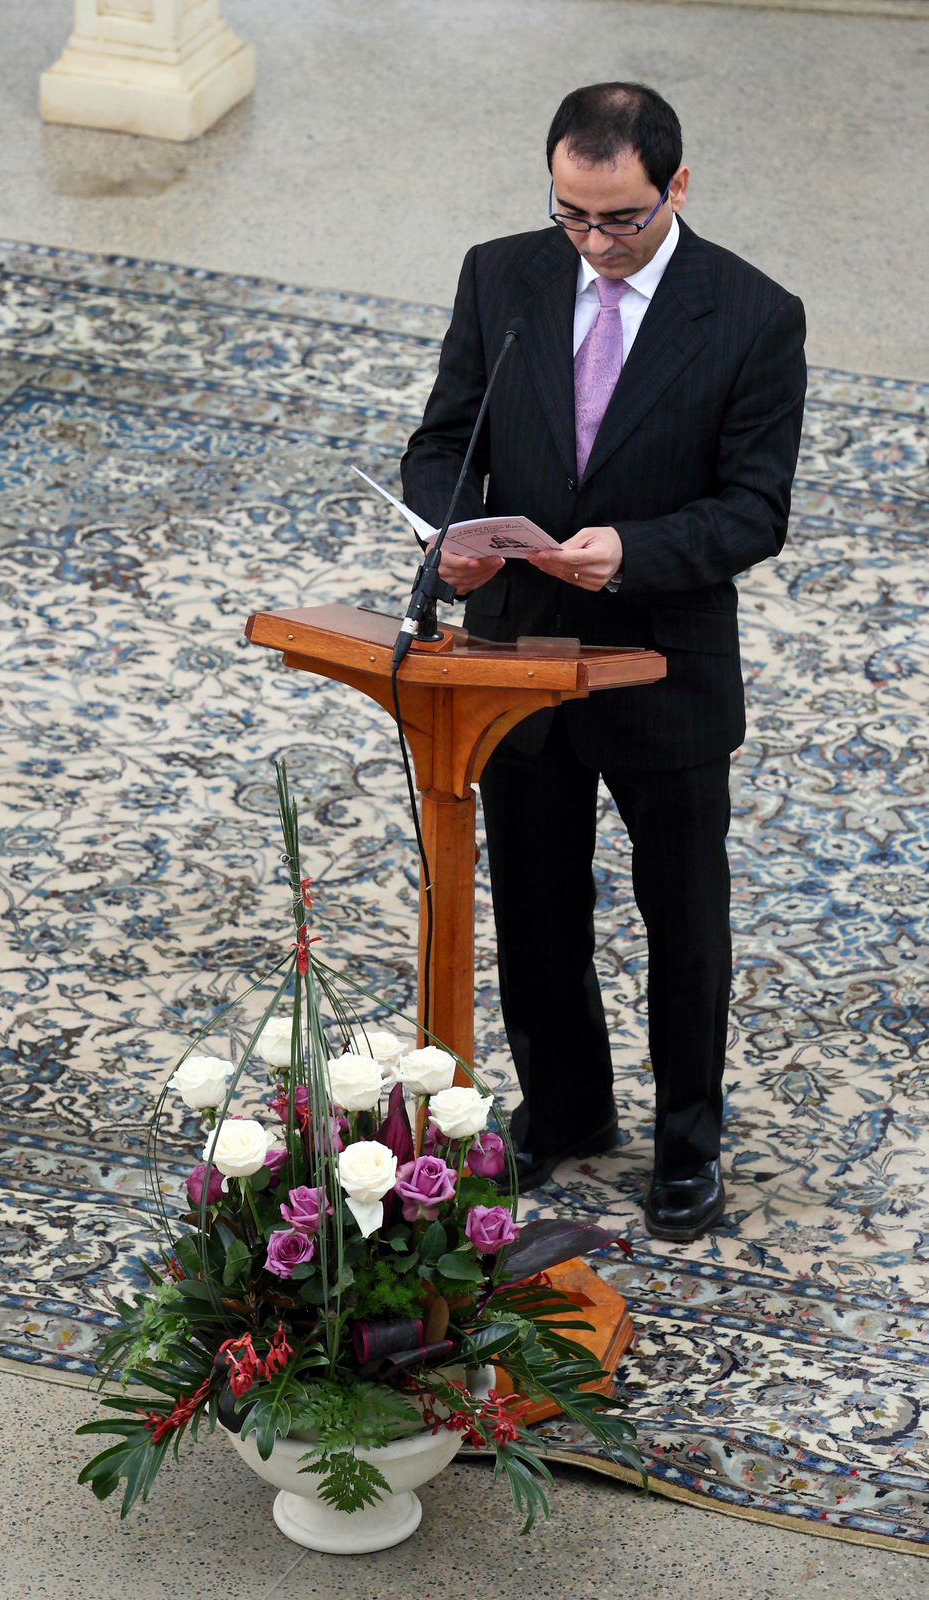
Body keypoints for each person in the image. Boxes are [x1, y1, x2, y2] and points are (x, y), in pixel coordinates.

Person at [401, 82, 806, 1242]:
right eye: (570, 214)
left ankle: (687, 1142)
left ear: (673, 187)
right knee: (533, 902)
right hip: (513, 651)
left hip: (659, 659)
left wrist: (631, 551)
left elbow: (752, 512)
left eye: (616, 218)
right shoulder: (501, 277)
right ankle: (567, 1109)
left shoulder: (751, 315)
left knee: (681, 918)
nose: (590, 241)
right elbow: (443, 441)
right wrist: (454, 537)